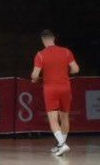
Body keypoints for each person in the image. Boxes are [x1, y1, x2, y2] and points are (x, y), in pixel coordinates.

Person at [31, 29, 80, 157]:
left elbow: (35, 75)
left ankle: (62, 145)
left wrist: (34, 79)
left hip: (50, 89)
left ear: (43, 40)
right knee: (64, 117)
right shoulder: (66, 51)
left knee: (53, 118)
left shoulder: (40, 55)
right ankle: (60, 144)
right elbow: (76, 69)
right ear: (54, 39)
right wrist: (63, 72)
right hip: (65, 87)